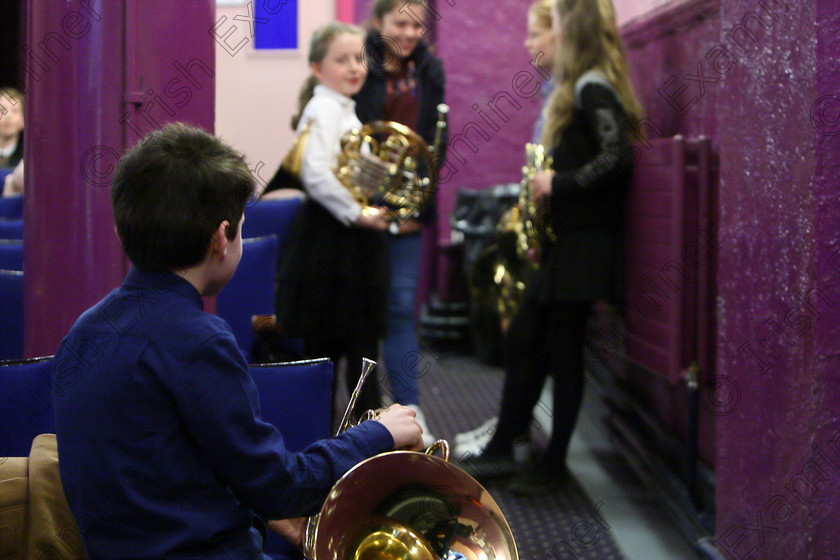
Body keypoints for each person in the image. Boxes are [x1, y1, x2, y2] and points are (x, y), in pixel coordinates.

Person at [52, 122, 423, 559]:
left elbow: (165, 467)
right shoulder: (199, 340)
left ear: (120, 231)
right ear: (220, 239)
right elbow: (280, 487)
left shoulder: (83, 331)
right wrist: (378, 434)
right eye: (241, 228)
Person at [460, 0, 642, 495]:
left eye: (551, 27)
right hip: (572, 243)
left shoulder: (591, 86)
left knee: (563, 353)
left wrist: (556, 184)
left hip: (585, 245)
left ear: (571, 30)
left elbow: (618, 157)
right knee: (527, 338)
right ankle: (506, 444)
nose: (540, 38)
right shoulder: (581, 86)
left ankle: (552, 462)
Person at [454, 0, 556, 459]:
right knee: (519, 335)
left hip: (555, 239)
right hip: (540, 229)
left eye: (535, 34)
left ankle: (509, 436)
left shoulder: (570, 91)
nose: (526, 43)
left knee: (527, 336)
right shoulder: (551, 88)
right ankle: (509, 426)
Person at [276, 23, 392, 420]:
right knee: (334, 354)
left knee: (358, 353)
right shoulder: (324, 107)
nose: (353, 67)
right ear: (317, 68)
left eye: (359, 58)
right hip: (329, 247)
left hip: (345, 243)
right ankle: (335, 449)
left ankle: (356, 446)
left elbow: (342, 174)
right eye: (341, 60)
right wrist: (358, 213)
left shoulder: (343, 106)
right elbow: (314, 174)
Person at [354, 0, 447, 447]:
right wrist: (365, 205)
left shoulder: (431, 69)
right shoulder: (360, 60)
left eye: (417, 25)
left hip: (409, 206)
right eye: (400, 24)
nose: (410, 34)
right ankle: (364, 415)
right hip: (362, 208)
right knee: (362, 309)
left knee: (399, 307)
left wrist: (417, 209)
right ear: (379, 23)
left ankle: (410, 409)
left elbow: (436, 145)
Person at [0, 87, 24, 169]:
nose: (8, 116)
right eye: (2, 110)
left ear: (23, 120)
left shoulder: (28, 156)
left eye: (14, 111)